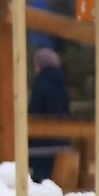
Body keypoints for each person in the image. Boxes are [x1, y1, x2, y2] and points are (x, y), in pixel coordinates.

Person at [28, 44, 72, 185]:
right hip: (61, 141)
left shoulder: (40, 84)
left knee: (40, 180)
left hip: (40, 144)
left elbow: (34, 111)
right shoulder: (62, 85)